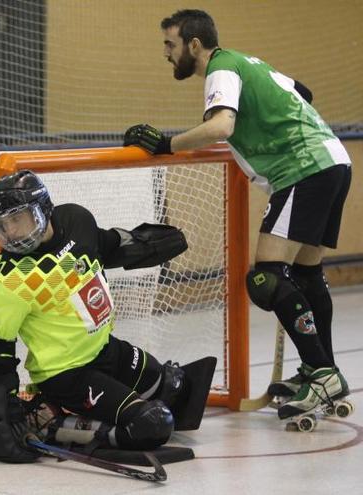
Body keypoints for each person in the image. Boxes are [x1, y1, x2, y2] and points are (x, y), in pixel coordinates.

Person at [122, 9, 352, 421]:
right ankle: (321, 371)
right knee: (305, 274)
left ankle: (321, 372)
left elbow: (221, 126)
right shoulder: (248, 63)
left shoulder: (221, 69)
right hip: (333, 160)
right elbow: (304, 92)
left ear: (195, 44)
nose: (166, 54)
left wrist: (165, 144)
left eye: (170, 44)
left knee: (266, 278)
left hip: (303, 168)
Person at [0, 169, 214, 464]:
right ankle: (49, 423)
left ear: (43, 209)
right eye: (2, 225)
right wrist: (6, 405)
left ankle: (60, 413)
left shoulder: (76, 220)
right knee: (152, 424)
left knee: (176, 387)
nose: (10, 234)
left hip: (105, 350)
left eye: (17, 220)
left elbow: (105, 245)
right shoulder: (9, 278)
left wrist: (145, 245)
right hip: (66, 375)